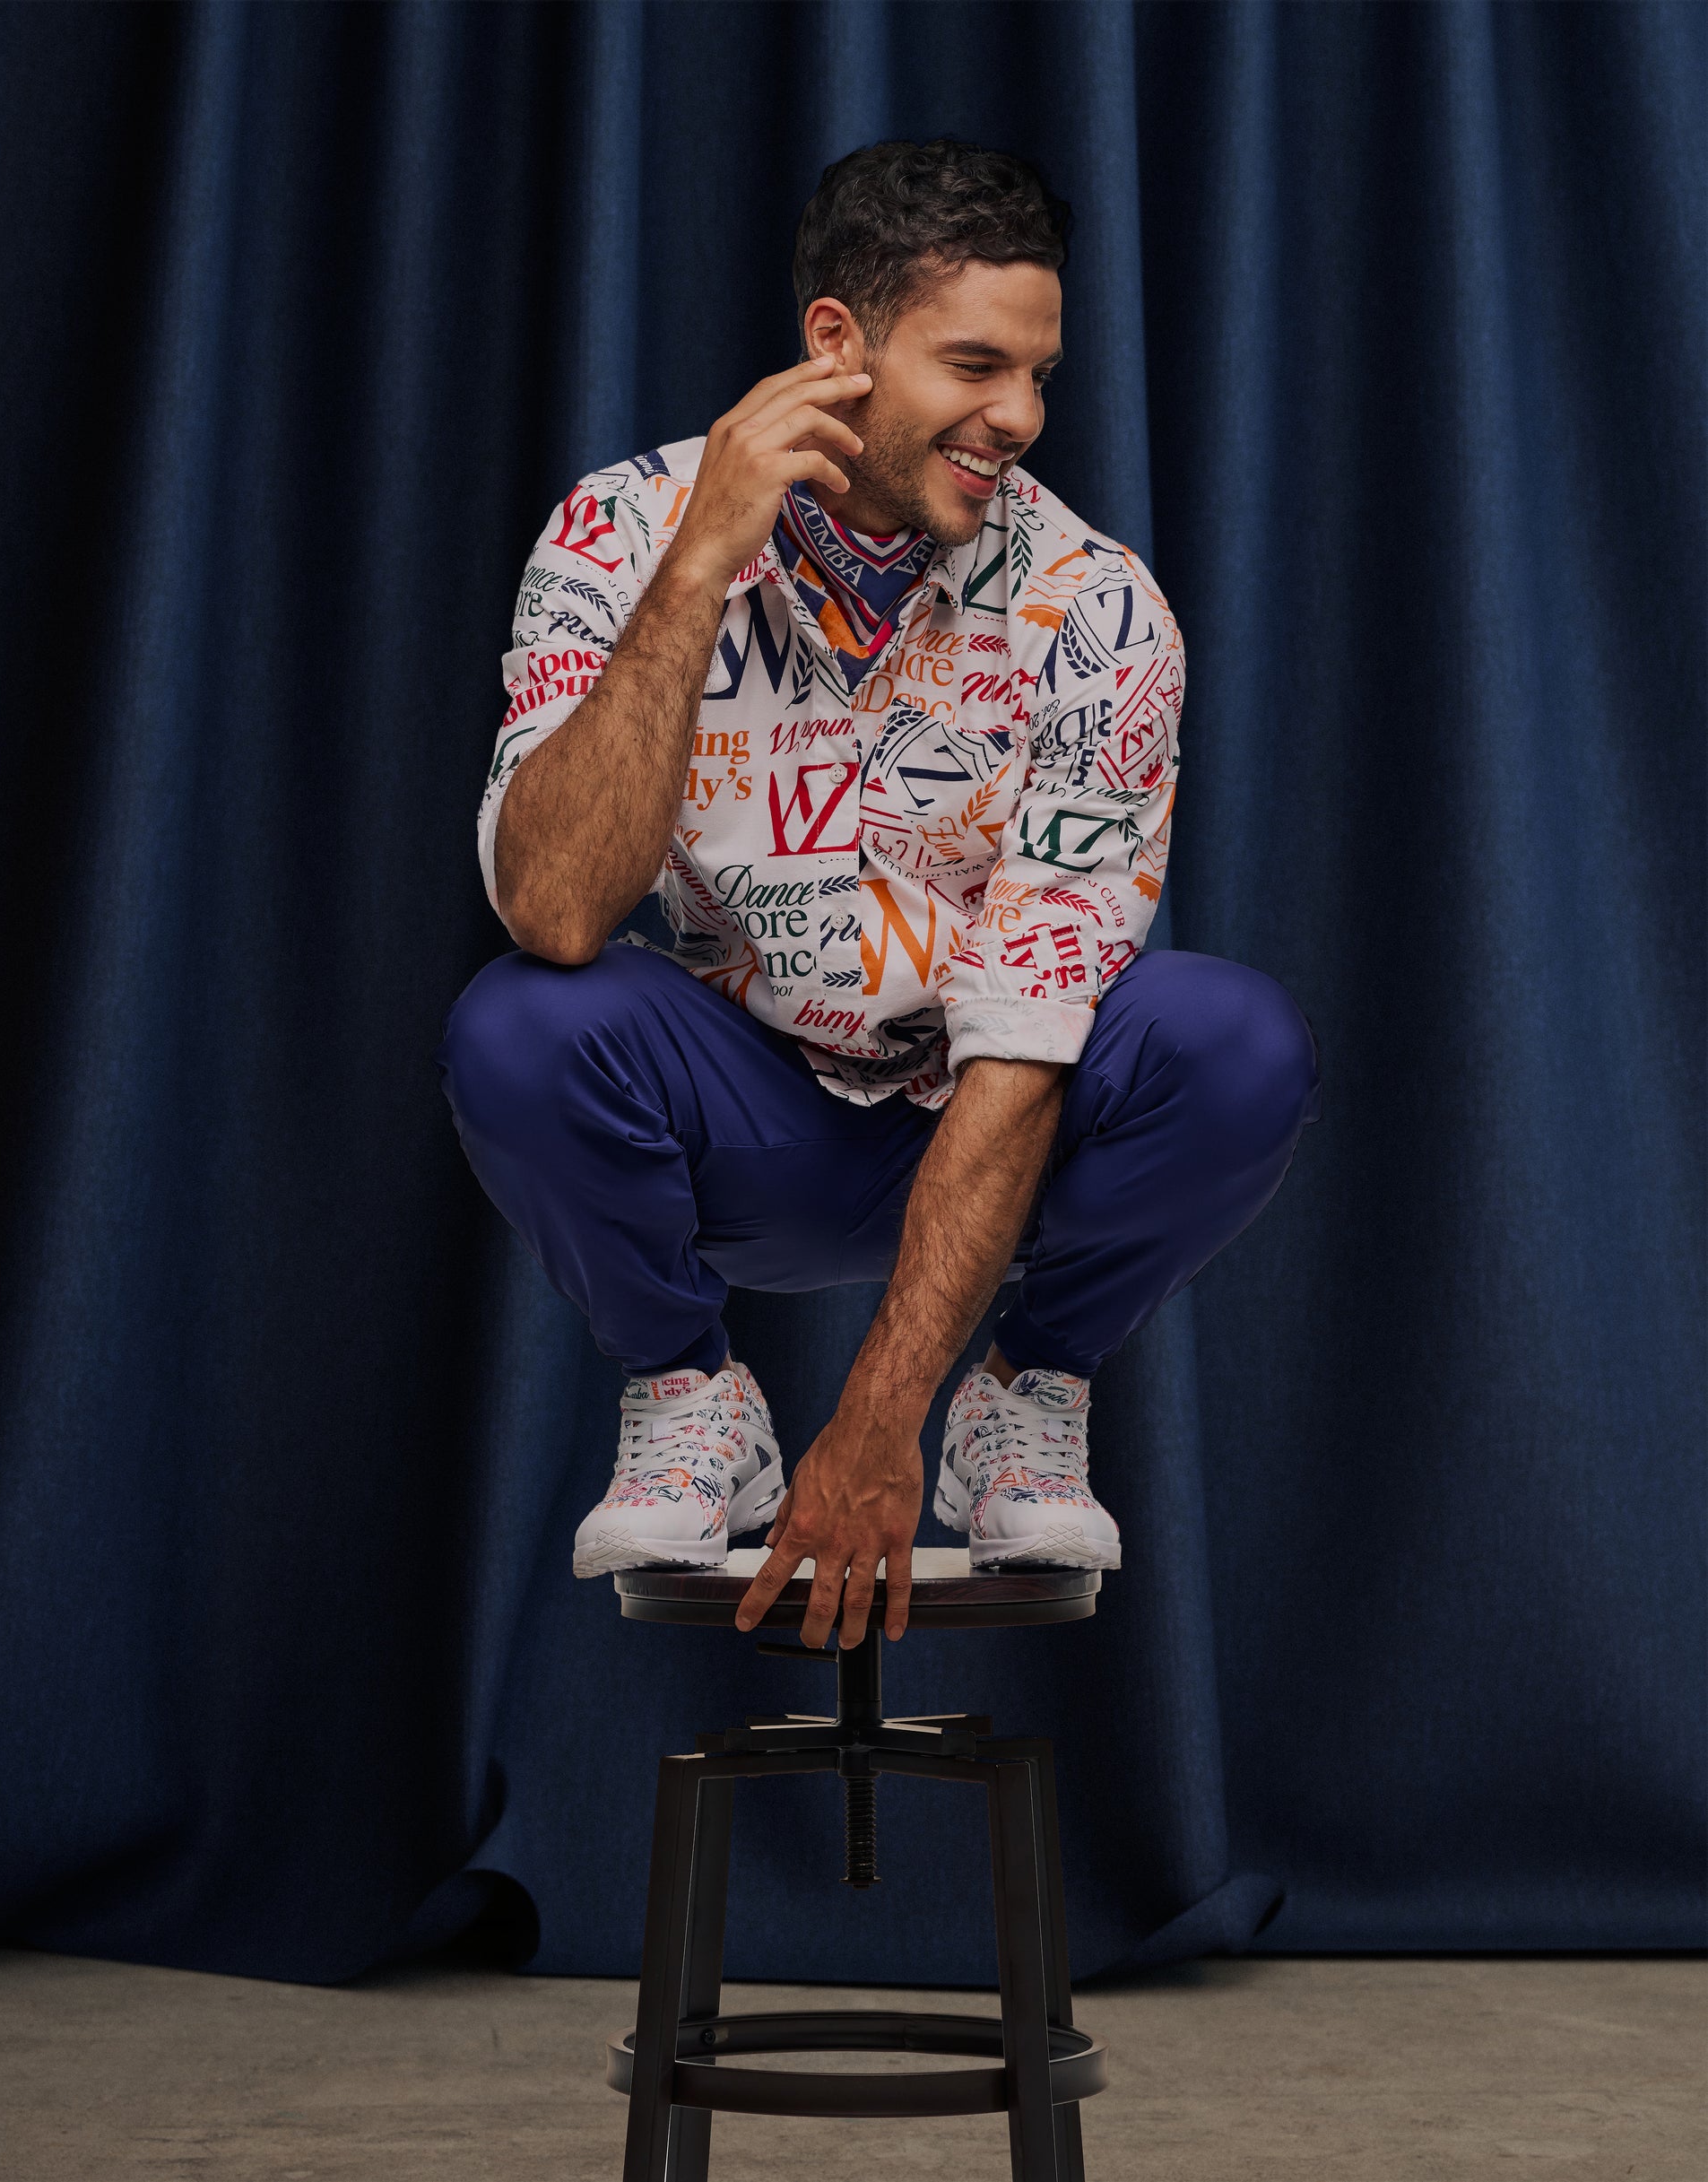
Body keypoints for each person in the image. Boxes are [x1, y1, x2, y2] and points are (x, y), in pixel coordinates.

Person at [438, 139, 1320, 1654]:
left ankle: (1022, 1399)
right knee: (519, 1020)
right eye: (975, 365)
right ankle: (688, 1394)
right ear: (836, 342)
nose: (1019, 417)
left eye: (1037, 374)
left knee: (1232, 1039)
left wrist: (880, 1416)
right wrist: (697, 568)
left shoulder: (1099, 609)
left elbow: (1030, 1029)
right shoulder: (616, 530)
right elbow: (557, 908)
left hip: (994, 1120)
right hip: (749, 1125)